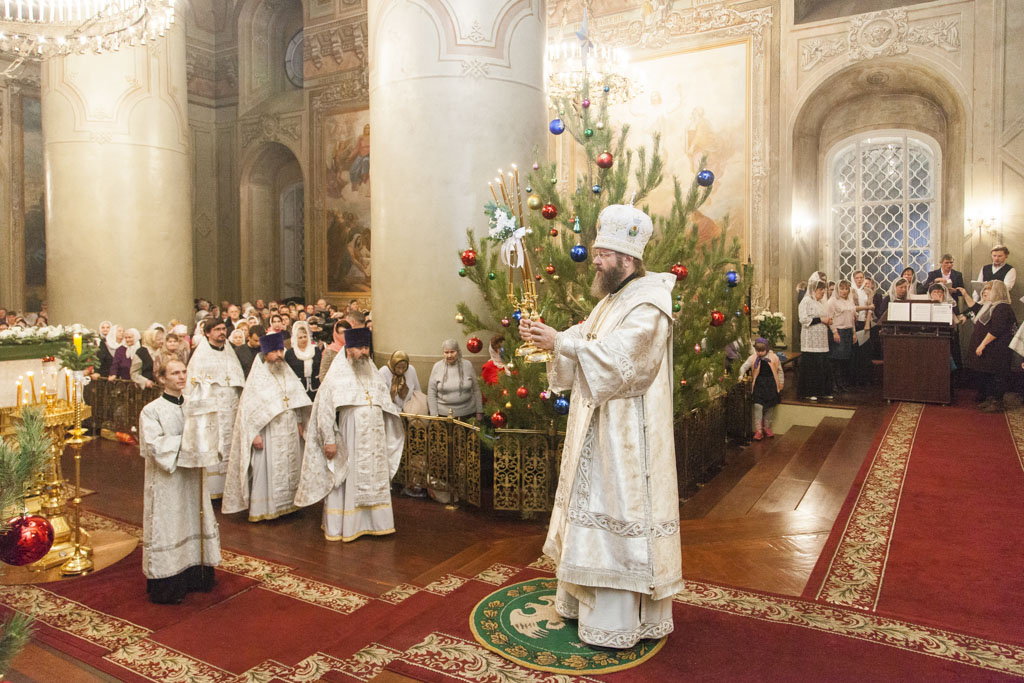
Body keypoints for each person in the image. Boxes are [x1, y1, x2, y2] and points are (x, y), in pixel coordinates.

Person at [518, 203, 680, 649]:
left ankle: (617, 621)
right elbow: (587, 339)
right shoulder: (612, 300)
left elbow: (627, 362)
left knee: (618, 516)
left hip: (627, 439)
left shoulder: (650, 302)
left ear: (627, 260)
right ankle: (579, 601)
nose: (595, 260)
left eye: (603, 254)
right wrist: (553, 337)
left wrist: (563, 342)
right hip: (597, 427)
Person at [295, 328, 405, 541]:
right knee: (348, 478)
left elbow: (386, 404)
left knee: (374, 478)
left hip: (374, 439)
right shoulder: (337, 375)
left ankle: (376, 523)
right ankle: (346, 525)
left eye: (366, 347)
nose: (364, 352)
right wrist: (329, 441)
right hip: (350, 438)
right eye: (359, 348)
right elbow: (324, 410)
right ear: (348, 349)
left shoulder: (372, 372)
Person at [138, 360, 221, 604]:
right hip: (168, 480)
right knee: (170, 523)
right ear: (162, 379)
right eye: (175, 373)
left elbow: (208, 432)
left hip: (193, 477)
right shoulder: (151, 410)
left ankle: (198, 575)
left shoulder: (194, 406)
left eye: (184, 371)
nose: (182, 376)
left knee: (194, 518)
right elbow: (155, 445)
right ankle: (168, 584)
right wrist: (190, 440)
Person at [223, 332, 312, 521]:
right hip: (268, 432)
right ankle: (266, 509)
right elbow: (248, 410)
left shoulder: (287, 372)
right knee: (269, 469)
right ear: (265, 354)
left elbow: (296, 399)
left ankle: (290, 504)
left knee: (291, 466)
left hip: (288, 431)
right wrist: (253, 435)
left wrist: (298, 421)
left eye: (280, 350)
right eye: (274, 352)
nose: (279, 355)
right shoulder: (258, 378)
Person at [180, 317, 246, 498]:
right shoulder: (200, 355)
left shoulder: (229, 352)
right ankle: (211, 490)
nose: (221, 332)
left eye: (223, 329)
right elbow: (192, 387)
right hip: (212, 413)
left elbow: (238, 381)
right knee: (213, 445)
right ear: (207, 333)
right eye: (217, 329)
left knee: (229, 446)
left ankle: (228, 487)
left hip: (231, 412)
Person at [960, 281, 1016, 412]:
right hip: (992, 350)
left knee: (998, 375)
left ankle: (997, 402)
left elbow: (997, 329)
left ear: (997, 291)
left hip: (998, 349)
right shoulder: (991, 305)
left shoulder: (1002, 307)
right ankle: (990, 399)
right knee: (991, 374)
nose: (986, 292)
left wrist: (983, 344)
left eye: (989, 289)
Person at [427, 339, 483, 421]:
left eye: (452, 352)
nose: (449, 355)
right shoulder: (437, 367)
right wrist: (434, 416)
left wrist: (479, 411)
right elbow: (431, 393)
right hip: (443, 416)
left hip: (468, 414)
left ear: (458, 351)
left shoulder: (467, 365)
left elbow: (476, 390)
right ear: (443, 353)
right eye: (446, 352)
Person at [739, 338, 783, 440]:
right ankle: (758, 430)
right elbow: (744, 367)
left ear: (767, 349)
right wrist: (741, 374)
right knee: (758, 406)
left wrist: (781, 383)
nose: (759, 353)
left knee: (769, 407)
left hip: (771, 384)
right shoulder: (753, 358)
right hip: (759, 384)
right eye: (757, 350)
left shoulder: (774, 357)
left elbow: (780, 371)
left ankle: (767, 427)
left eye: (762, 350)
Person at [798, 279, 832, 401]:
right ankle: (808, 392)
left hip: (822, 340)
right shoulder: (806, 301)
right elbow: (803, 319)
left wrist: (828, 320)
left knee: (822, 365)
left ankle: (822, 391)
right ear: (813, 290)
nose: (823, 292)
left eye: (824, 289)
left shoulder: (822, 302)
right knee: (812, 365)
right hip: (810, 340)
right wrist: (821, 320)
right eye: (820, 289)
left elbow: (825, 316)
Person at [827, 280, 856, 393]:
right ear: (837, 289)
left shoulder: (849, 300)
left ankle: (842, 383)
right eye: (842, 288)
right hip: (838, 331)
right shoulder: (832, 301)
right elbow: (830, 318)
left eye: (846, 288)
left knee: (845, 360)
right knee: (836, 360)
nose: (844, 291)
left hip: (848, 331)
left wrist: (854, 332)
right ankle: (835, 384)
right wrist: (834, 332)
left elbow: (852, 318)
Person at [379, 350, 426, 414]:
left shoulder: (411, 369)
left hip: (410, 407)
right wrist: (399, 411)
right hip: (391, 409)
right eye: (398, 367)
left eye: (404, 367)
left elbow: (418, 391)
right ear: (393, 364)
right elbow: (382, 398)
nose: (401, 371)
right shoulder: (383, 372)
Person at [284, 320, 321, 401]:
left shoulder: (315, 350)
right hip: (298, 391)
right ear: (295, 338)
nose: (303, 339)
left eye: (305, 336)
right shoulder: (290, 353)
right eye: (300, 337)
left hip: (315, 390)